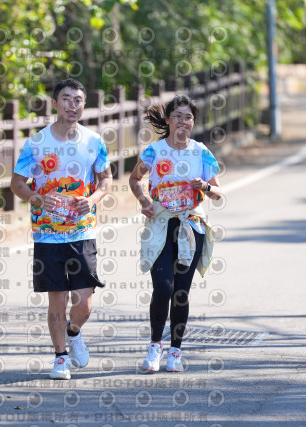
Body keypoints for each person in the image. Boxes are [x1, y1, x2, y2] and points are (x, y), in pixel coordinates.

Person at [10, 79, 112, 380]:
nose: (72, 105)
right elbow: (17, 183)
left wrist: (91, 200)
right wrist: (37, 198)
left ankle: (74, 331)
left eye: (77, 100)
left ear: (84, 105)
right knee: (57, 298)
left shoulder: (94, 141)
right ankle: (60, 357)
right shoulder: (36, 143)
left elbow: (106, 179)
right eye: (66, 99)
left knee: (84, 302)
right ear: (55, 104)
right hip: (48, 233)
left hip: (82, 230)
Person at [129, 94, 223, 372]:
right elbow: (134, 179)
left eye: (188, 117)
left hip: (191, 226)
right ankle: (154, 347)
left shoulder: (201, 152)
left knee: (181, 292)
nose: (183, 121)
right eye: (178, 116)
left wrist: (205, 186)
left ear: (193, 122)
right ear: (168, 120)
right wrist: (144, 201)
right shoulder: (154, 151)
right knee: (163, 287)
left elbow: (217, 192)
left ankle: (176, 352)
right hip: (161, 225)